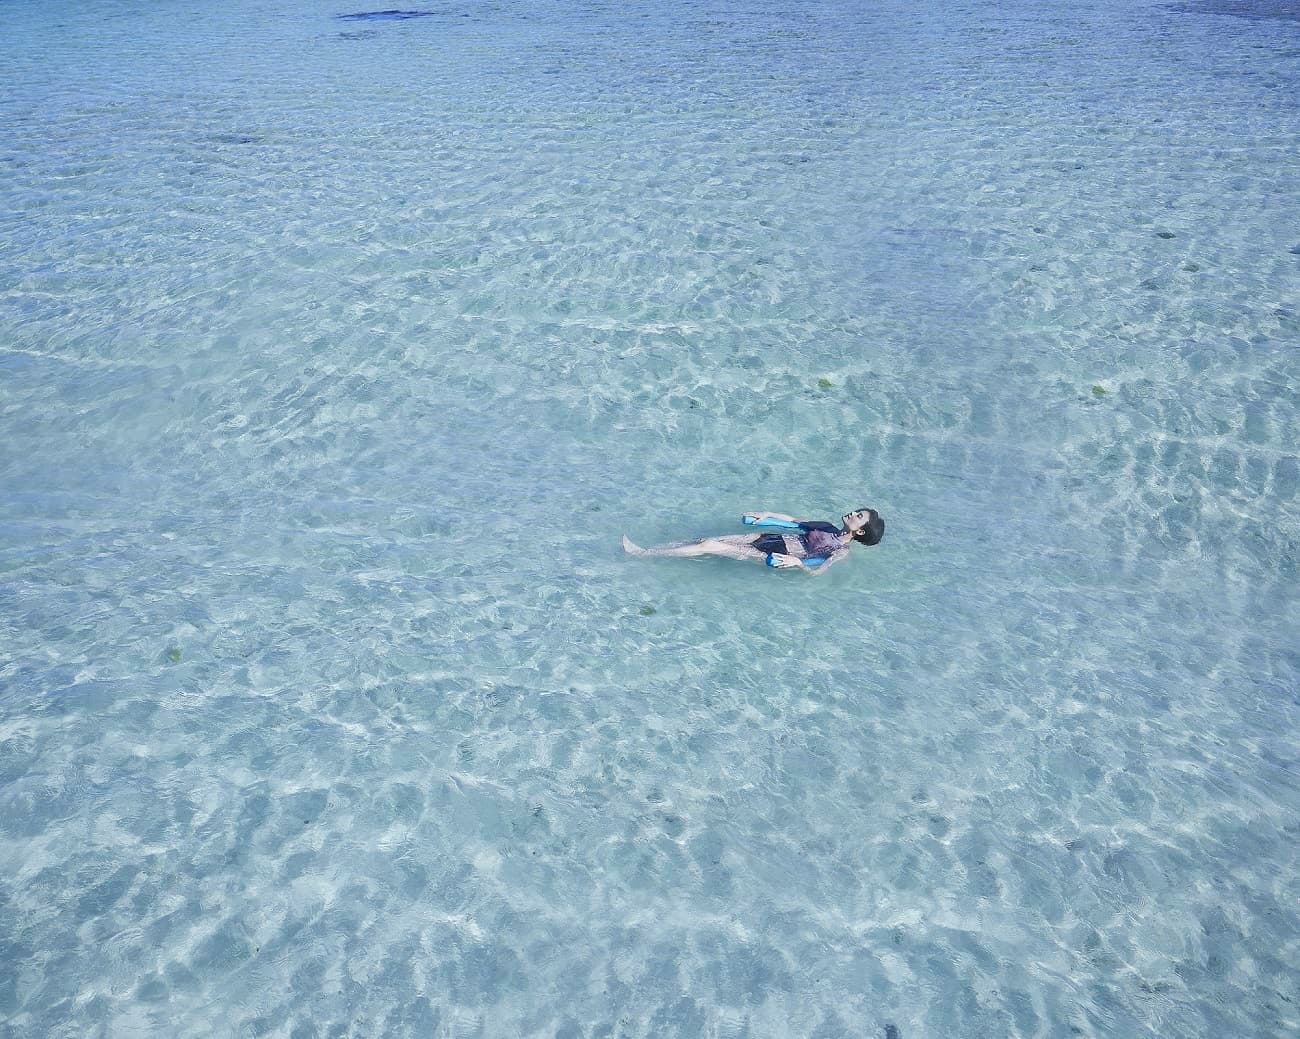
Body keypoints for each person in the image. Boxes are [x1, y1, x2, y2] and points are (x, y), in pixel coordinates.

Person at [622, 508, 884, 575]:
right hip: (769, 538)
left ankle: (643, 554)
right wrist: (767, 515)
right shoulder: (826, 526)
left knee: (708, 547)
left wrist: (796, 562)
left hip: (775, 554)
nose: (852, 513)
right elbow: (793, 522)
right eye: (856, 511)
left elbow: (816, 571)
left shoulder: (841, 551)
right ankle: (652, 550)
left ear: (860, 531)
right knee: (705, 540)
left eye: (858, 516)